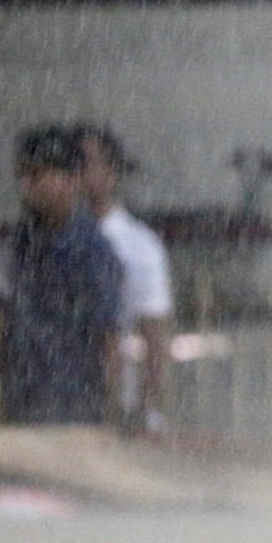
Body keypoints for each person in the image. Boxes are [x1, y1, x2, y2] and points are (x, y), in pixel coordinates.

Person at [0, 126, 124, 425]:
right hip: (24, 399)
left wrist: (111, 410)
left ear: (70, 180)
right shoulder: (20, 243)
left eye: (37, 175)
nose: (27, 186)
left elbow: (107, 338)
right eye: (23, 176)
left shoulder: (91, 251)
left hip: (75, 403)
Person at [74, 123, 174, 434]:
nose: (79, 173)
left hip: (116, 409)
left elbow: (155, 336)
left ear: (112, 172)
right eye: (72, 163)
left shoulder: (138, 244)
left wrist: (149, 409)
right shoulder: (39, 240)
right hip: (55, 403)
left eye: (88, 163)